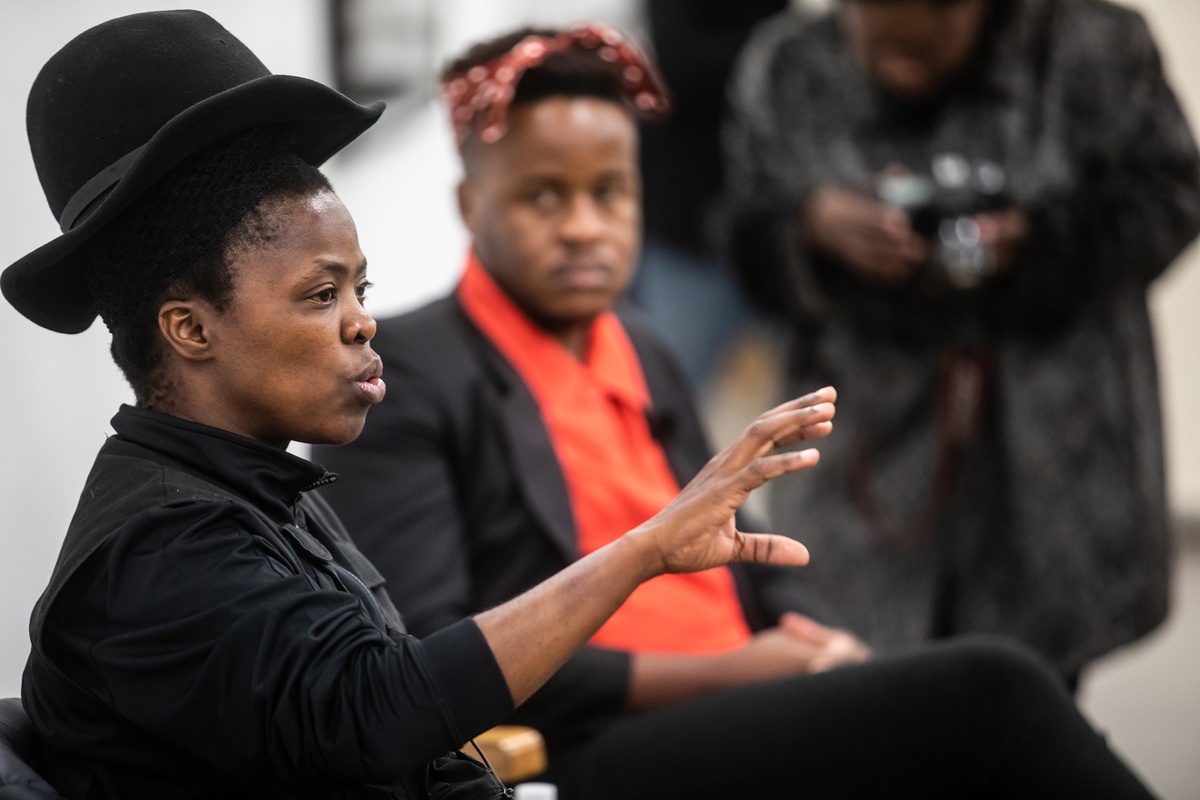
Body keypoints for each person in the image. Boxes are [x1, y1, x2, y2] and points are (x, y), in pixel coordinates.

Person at [3, 11, 840, 800]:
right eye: (321, 294)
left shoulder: (260, 494)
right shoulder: (159, 550)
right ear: (189, 327)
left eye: (359, 287)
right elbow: (376, 714)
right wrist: (644, 551)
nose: (363, 319)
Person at [314, 24, 1157, 799]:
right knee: (992, 695)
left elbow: (747, 548)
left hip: (745, 694)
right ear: (470, 207)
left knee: (984, 718)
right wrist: (735, 676)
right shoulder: (409, 374)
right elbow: (428, 652)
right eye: (544, 199)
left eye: (610, 193)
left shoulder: (640, 345)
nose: (584, 228)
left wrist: (823, 645)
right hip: (587, 740)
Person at [719, 0, 1200, 690]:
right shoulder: (791, 65)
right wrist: (810, 232)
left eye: (923, 49)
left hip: (1055, 472)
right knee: (868, 709)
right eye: (880, 47)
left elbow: (1171, 200)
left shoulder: (1096, 50)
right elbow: (740, 230)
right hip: (865, 469)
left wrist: (1039, 245)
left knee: (1032, 708)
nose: (901, 71)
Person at [626, 0, 787, 393]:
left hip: (780, 238)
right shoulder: (789, 44)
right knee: (662, 400)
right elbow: (679, 64)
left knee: (806, 414)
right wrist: (784, 46)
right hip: (689, 234)